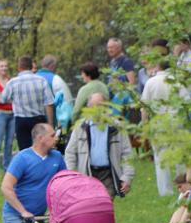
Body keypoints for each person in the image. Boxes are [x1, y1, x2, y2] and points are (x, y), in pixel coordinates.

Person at [63, 93, 135, 198]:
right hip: (88, 173)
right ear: (89, 108)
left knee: (105, 204)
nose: (98, 110)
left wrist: (127, 177)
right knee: (90, 205)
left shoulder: (116, 127)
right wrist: (70, 175)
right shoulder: (80, 127)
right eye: (94, 107)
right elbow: (70, 153)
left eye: (101, 106)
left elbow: (127, 153)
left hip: (108, 174)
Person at [140, 57, 183, 196]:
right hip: (177, 120)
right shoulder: (177, 81)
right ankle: (183, 185)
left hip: (158, 122)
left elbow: (144, 107)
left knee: (160, 156)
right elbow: (186, 101)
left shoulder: (151, 82)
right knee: (179, 155)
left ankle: (165, 190)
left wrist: (145, 125)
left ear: (158, 66)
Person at [1, 56, 55, 150]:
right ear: (31, 67)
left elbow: (3, 99)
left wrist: (15, 99)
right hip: (38, 119)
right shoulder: (41, 80)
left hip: (21, 120)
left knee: (24, 149)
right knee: (42, 147)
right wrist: (50, 124)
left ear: (19, 68)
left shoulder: (12, 82)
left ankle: (28, 164)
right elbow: (49, 103)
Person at [37, 55, 73, 131]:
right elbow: (67, 102)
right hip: (51, 120)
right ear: (53, 66)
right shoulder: (56, 79)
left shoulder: (34, 77)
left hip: (34, 120)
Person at [105, 38, 137, 119]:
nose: (109, 50)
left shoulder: (126, 62)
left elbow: (132, 82)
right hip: (112, 96)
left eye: (112, 47)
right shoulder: (112, 62)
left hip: (122, 98)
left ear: (119, 48)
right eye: (108, 47)